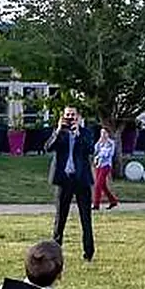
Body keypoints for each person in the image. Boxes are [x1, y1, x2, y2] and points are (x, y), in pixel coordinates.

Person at [46, 106, 95, 262]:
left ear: (78, 117)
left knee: (86, 218)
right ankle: (55, 253)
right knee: (60, 218)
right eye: (67, 115)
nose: (70, 117)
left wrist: (78, 134)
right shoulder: (60, 132)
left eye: (73, 115)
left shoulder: (85, 133)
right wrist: (59, 130)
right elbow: (48, 147)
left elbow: (90, 149)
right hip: (64, 180)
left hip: (81, 180)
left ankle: (89, 253)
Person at [91, 127, 119, 211]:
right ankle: (113, 201)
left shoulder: (111, 143)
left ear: (108, 134)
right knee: (103, 185)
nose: (103, 135)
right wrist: (99, 142)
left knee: (98, 185)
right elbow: (94, 151)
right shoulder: (99, 143)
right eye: (101, 133)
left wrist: (101, 154)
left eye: (104, 133)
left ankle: (96, 204)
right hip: (98, 165)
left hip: (106, 165)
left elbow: (109, 154)